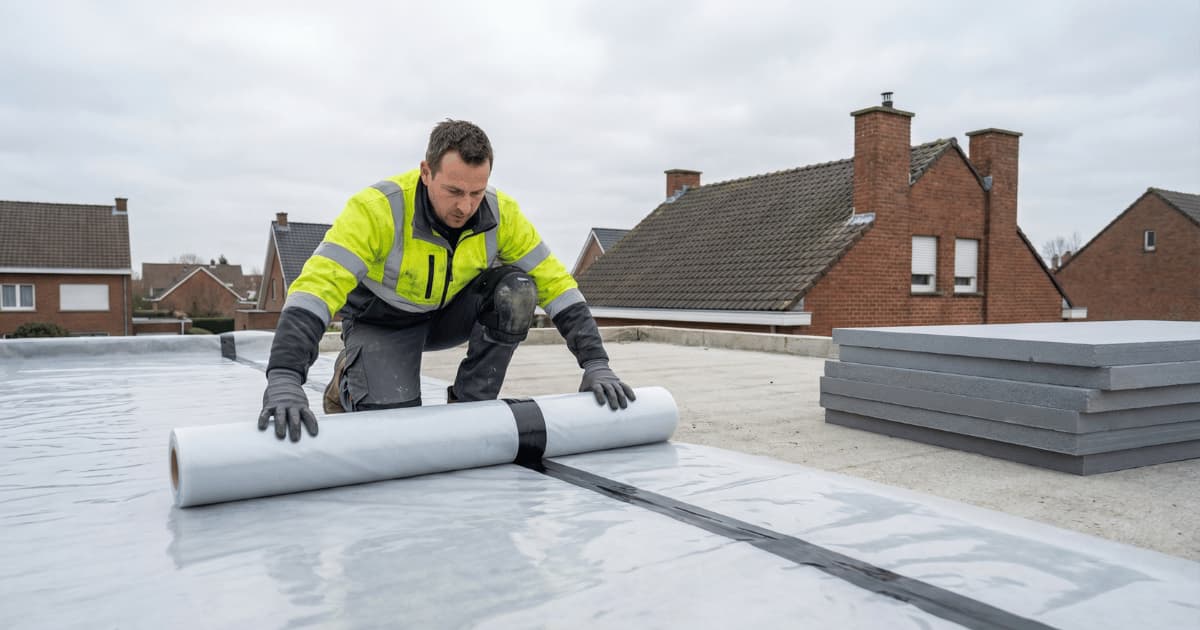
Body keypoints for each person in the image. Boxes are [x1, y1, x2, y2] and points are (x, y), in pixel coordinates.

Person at [257, 120, 635, 442]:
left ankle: (472, 406)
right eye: (453, 191)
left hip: (449, 317)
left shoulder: (501, 214)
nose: (466, 206)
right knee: (397, 431)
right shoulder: (377, 210)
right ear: (426, 172)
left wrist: (595, 363)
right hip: (383, 323)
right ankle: (349, 376)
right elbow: (315, 289)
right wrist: (286, 376)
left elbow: (556, 284)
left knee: (518, 289)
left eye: (476, 192)